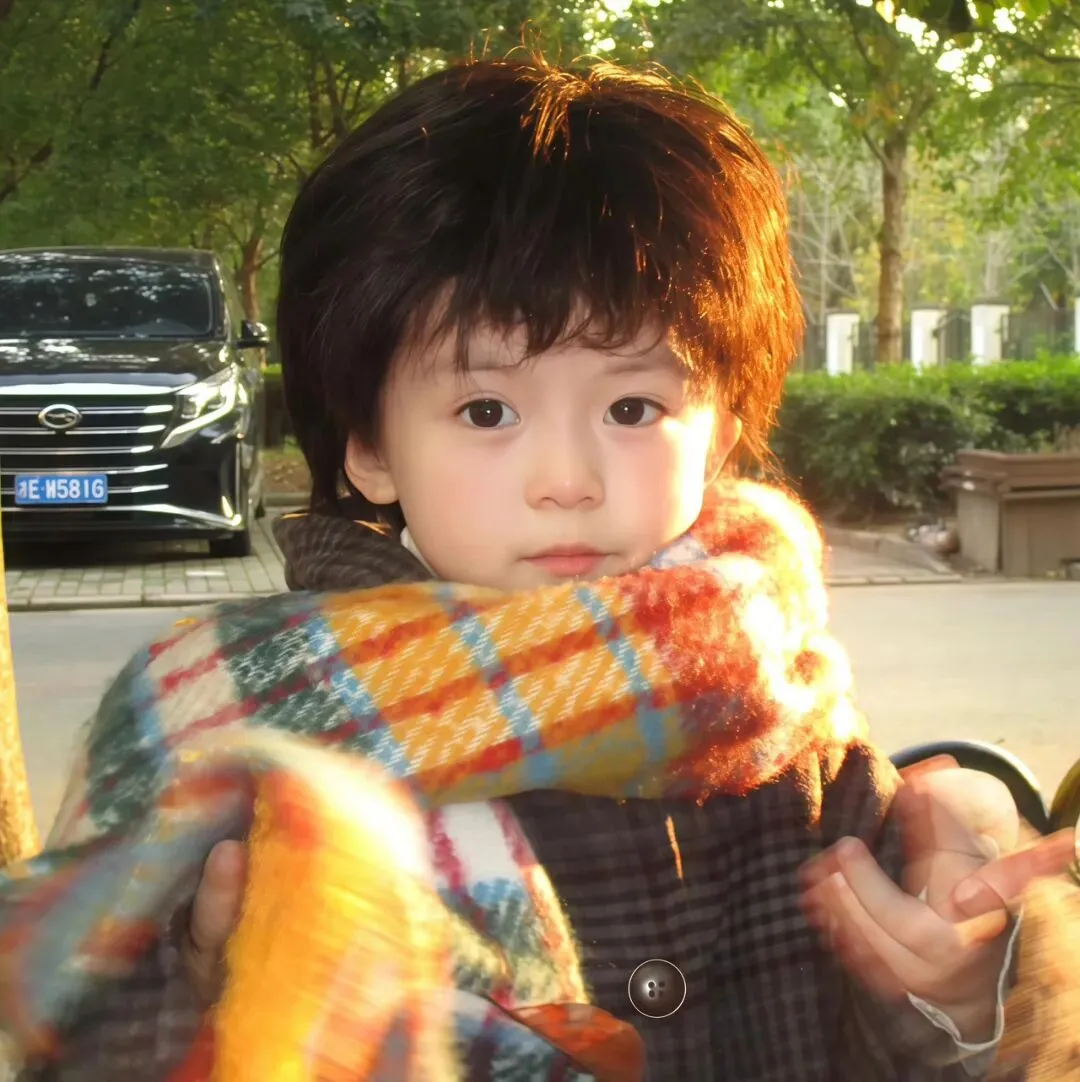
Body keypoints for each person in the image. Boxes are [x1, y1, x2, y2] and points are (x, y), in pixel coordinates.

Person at [4, 56, 1076, 1081]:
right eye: (486, 410)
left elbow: (953, 1041)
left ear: (721, 429)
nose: (567, 479)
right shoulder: (232, 737)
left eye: (632, 407)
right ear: (369, 444)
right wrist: (214, 997)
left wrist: (960, 990)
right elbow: (79, 1023)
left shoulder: (785, 720)